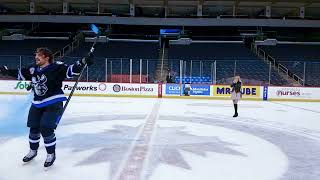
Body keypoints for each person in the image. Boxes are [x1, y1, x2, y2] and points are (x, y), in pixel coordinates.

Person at [0, 47, 93, 167]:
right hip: (37, 102)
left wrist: (83, 62)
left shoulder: (56, 67)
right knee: (34, 128)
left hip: (53, 101)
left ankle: (51, 154)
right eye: (36, 55)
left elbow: (71, 70)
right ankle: (33, 151)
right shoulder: (32, 69)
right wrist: (6, 71)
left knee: (46, 128)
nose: (36, 57)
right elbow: (19, 74)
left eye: (39, 55)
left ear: (47, 57)